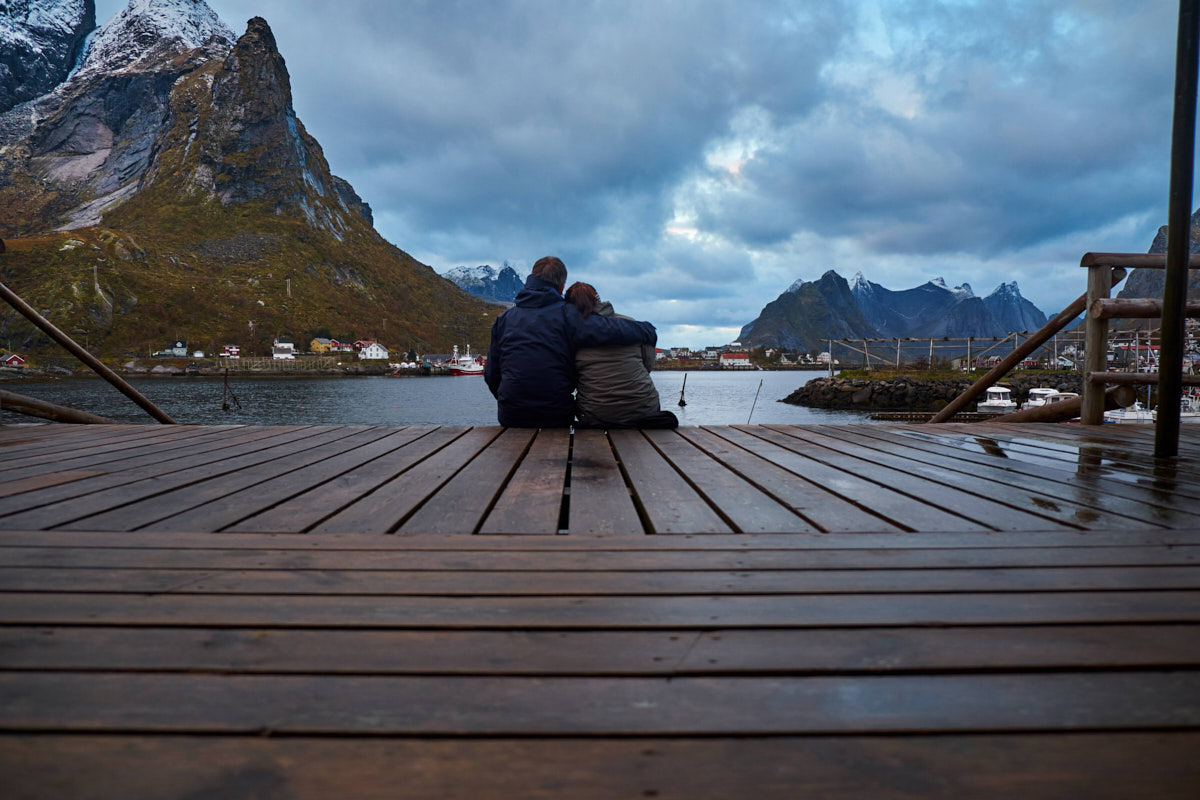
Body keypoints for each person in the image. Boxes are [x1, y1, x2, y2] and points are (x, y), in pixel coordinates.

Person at [484, 256, 657, 427]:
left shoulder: (504, 320)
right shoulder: (567, 315)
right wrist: (646, 330)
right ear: (561, 287)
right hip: (555, 415)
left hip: (511, 416)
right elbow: (608, 329)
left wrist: (511, 402)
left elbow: (492, 375)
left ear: (531, 280)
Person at [564, 282, 678, 429]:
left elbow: (571, 377)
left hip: (596, 413)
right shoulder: (631, 324)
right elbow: (648, 364)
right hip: (644, 409)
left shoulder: (570, 333)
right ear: (597, 298)